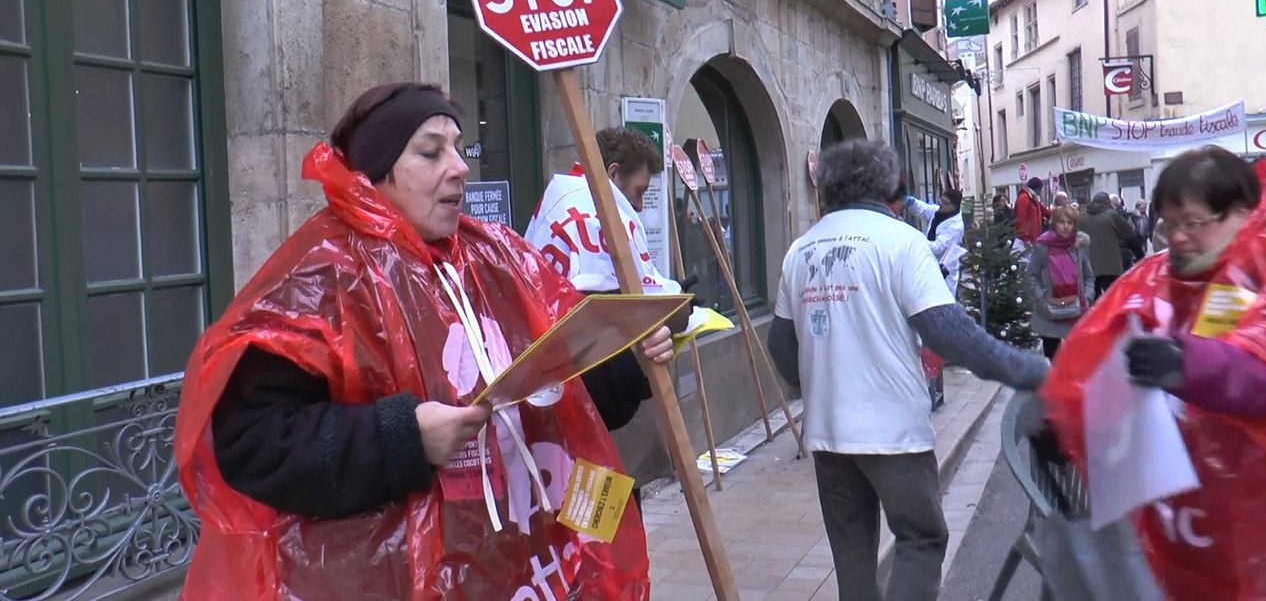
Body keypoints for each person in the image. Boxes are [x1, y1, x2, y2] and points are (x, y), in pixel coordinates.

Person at [175, 83, 674, 600]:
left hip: (524, 567)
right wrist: (403, 437)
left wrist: (630, 358)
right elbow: (252, 443)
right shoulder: (323, 275)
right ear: (376, 172)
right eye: (431, 152)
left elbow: (565, 388)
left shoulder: (495, 255)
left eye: (458, 148)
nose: (458, 167)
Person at [767, 140, 1048, 601]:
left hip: (827, 433)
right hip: (891, 431)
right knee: (922, 538)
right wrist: (1027, 368)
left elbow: (781, 345)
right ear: (886, 185)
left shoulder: (801, 249)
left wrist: (819, 382)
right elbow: (948, 332)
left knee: (853, 558)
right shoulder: (901, 241)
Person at [1040, 145, 1266, 600]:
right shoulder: (1158, 277)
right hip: (1188, 518)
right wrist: (1067, 424)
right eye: (1170, 224)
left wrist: (1186, 364)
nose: (1177, 238)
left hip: (1260, 519)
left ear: (1242, 213)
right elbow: (1097, 360)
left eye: (1193, 223)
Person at [523, 126, 698, 511]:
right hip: (592, 425)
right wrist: (677, 313)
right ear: (613, 175)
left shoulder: (559, 204)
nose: (637, 207)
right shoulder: (595, 214)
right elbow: (622, 323)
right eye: (636, 192)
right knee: (603, 537)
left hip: (564, 429)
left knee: (595, 535)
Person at [1026, 206, 1094, 360]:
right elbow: (1031, 276)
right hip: (1050, 311)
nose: (1065, 226)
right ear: (1054, 224)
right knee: (1053, 360)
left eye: (1070, 223)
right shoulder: (1043, 246)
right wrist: (1041, 298)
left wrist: (1088, 297)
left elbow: (1089, 275)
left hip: (1077, 310)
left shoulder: (1079, 245)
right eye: (1061, 222)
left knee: (1077, 359)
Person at [904, 188, 967, 297]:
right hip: (930, 263)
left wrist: (916, 238)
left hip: (943, 268)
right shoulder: (940, 212)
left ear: (954, 206)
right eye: (941, 200)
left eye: (945, 203)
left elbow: (937, 247)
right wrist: (913, 203)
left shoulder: (955, 226)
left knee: (940, 299)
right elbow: (924, 210)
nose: (941, 204)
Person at [1076, 190, 1135, 297]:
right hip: (1111, 265)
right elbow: (1128, 232)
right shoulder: (1111, 215)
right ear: (1107, 203)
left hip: (1089, 265)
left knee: (1093, 298)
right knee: (1113, 298)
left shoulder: (1081, 216)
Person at [1014, 177, 1052, 245]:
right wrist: (1025, 238)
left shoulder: (1034, 199)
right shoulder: (1024, 198)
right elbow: (1021, 220)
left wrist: (1061, 212)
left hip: (1035, 238)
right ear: (1038, 188)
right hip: (1028, 241)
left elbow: (1045, 211)